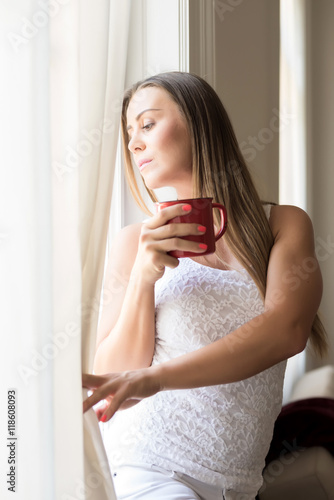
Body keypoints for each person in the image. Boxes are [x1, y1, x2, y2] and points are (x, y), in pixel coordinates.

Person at [82, 72, 327, 500]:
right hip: (150, 466)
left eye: (148, 123)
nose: (134, 143)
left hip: (238, 483)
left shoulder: (284, 225)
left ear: (198, 123)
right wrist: (142, 277)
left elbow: (286, 332)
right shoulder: (130, 243)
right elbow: (114, 376)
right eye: (129, 132)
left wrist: (157, 378)